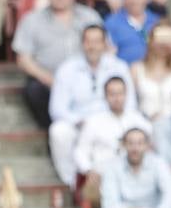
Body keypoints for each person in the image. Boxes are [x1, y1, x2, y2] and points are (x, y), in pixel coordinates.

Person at [48, 24, 135, 188]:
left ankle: (121, 182)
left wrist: (112, 119)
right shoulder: (67, 68)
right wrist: (81, 121)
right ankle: (71, 183)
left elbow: (130, 104)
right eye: (88, 41)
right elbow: (57, 109)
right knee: (58, 131)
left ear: (105, 44)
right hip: (80, 122)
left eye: (97, 41)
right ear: (82, 44)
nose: (92, 46)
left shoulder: (118, 66)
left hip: (111, 119)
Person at [12, 0, 102, 128]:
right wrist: (53, 81)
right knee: (34, 90)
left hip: (86, 79)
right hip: (48, 81)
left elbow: (105, 48)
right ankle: (49, 130)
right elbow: (23, 59)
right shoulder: (32, 20)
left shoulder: (90, 17)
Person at [72, 75, 151, 206]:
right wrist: (88, 170)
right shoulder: (94, 121)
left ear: (126, 94)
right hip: (102, 176)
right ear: (105, 96)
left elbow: (149, 150)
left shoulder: (139, 120)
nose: (117, 98)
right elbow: (80, 151)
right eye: (112, 94)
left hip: (135, 176)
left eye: (120, 93)